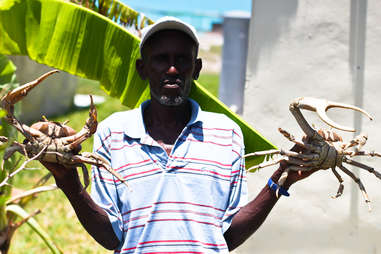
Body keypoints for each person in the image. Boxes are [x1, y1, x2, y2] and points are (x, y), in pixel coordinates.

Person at [43, 16, 316, 253]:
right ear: (142, 68)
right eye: (161, 59)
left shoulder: (226, 133)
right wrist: (68, 181)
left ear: (195, 69)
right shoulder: (114, 132)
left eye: (182, 60)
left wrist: (283, 178)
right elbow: (109, 236)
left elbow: (227, 236)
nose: (172, 69)